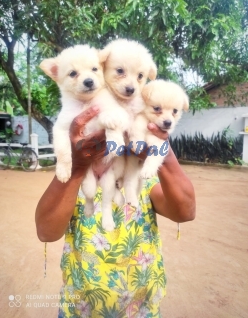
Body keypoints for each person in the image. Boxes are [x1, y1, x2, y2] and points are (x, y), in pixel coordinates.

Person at [35, 106, 196, 318]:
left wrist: (161, 150)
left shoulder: (143, 175)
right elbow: (46, 232)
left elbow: (185, 211)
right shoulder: (80, 178)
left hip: (141, 311)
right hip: (81, 311)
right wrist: (77, 167)